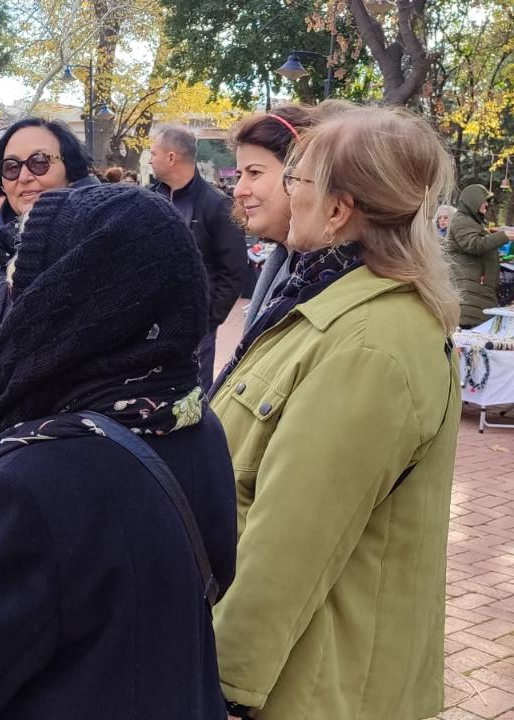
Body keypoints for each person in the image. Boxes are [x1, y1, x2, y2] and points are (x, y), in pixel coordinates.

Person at [0, 183, 237, 718]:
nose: (12, 293)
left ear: (67, 299)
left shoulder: (30, 482)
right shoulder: (189, 419)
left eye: (25, 278)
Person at [211, 107, 461, 719]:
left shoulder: (370, 346)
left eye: (295, 181)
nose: (283, 195)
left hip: (315, 689)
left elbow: (288, 546)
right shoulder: (324, 304)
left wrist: (220, 690)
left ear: (338, 207)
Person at [0, 117, 98, 334]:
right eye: (11, 167)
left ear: (70, 168)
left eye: (39, 162)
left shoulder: (100, 244)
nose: (24, 176)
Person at [148, 125, 250, 391]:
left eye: (153, 152)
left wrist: (208, 320)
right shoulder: (149, 199)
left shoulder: (215, 204)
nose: (149, 159)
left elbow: (234, 269)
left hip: (195, 328)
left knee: (192, 397)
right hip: (150, 324)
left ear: (171, 157)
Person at [228, 105, 319, 330]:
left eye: (254, 172)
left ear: (301, 174)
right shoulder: (287, 261)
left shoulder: (325, 279)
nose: (238, 191)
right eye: (239, 175)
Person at [445, 184, 514, 327]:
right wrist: (504, 236)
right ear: (473, 201)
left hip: (475, 292)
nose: (487, 205)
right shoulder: (462, 221)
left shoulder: (469, 222)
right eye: (485, 200)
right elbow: (474, 245)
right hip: (469, 294)